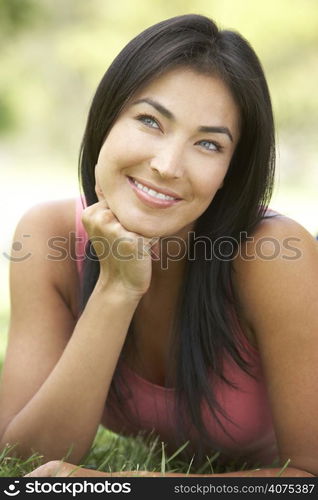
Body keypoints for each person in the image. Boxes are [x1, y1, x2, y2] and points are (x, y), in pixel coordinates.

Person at [0, 14, 317, 478]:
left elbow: (309, 476)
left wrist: (135, 486)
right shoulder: (48, 238)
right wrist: (116, 288)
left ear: (232, 171)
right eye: (150, 121)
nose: (168, 166)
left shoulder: (272, 256)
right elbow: (22, 459)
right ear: (107, 117)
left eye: (209, 145)